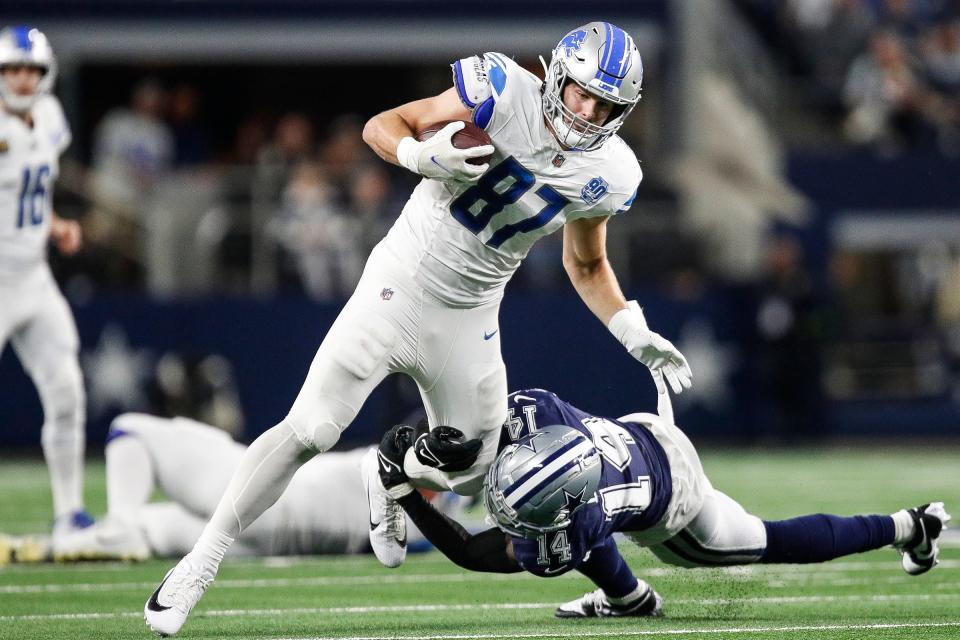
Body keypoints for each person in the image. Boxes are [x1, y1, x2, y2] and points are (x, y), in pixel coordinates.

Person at [144, 22, 693, 637]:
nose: (587, 111)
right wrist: (415, 154)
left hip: (473, 312)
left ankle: (389, 471)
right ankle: (199, 563)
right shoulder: (502, 90)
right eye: (581, 93)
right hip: (400, 285)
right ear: (557, 76)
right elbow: (383, 124)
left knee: (473, 467)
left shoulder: (612, 172)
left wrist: (628, 327)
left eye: (605, 104)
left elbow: (586, 262)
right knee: (311, 428)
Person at [377, 376, 950, 619]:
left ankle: (906, 526)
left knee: (767, 541)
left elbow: (472, 553)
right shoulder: (536, 409)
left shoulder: (572, 523)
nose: (500, 508)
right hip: (648, 432)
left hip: (677, 502)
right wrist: (428, 446)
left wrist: (405, 489)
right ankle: (626, 599)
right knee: (588, 540)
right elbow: (481, 423)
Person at [2, 413, 449, 564]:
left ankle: (114, 524)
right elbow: (447, 530)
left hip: (262, 495)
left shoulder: (381, 465)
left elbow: (416, 466)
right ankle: (47, 546)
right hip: (265, 541)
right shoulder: (420, 532)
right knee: (150, 532)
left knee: (129, 430)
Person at [0, 26, 93, 557]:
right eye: (12, 69)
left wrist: (53, 223)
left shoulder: (51, 118)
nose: (20, 78)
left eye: (29, 70)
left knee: (67, 392)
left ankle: (69, 515)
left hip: (34, 276)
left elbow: (30, 194)